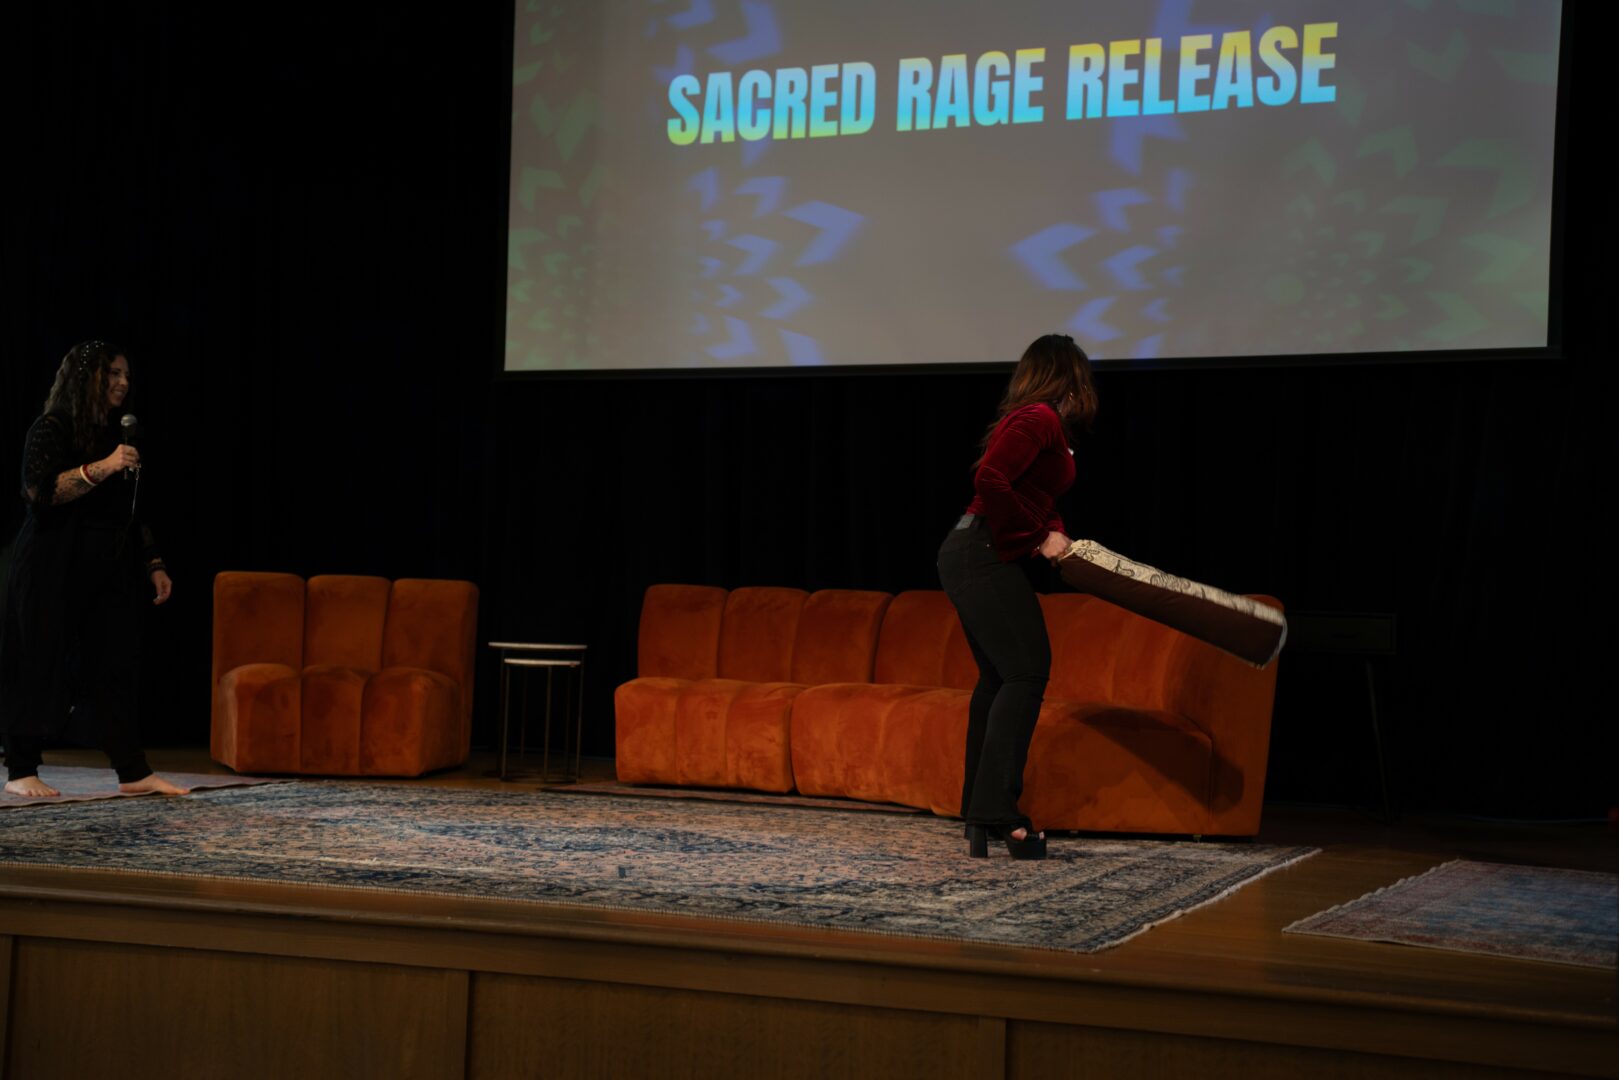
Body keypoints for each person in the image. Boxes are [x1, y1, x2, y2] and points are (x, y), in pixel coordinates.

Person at [0, 340, 188, 797]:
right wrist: (102, 467)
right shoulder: (52, 427)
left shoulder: (118, 438)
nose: (123, 382)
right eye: (113, 374)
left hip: (105, 565)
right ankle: (21, 769)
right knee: (38, 661)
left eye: (126, 375)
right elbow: (39, 492)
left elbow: (132, 511)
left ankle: (132, 772)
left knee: (114, 663)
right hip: (50, 562)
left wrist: (154, 564)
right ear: (86, 378)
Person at [935, 333, 1098, 859]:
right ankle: (998, 811)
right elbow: (991, 479)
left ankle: (979, 811)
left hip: (975, 551)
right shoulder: (1039, 418)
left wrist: (1055, 533)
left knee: (1001, 677)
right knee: (1026, 672)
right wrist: (1036, 537)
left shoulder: (1042, 422)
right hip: (978, 550)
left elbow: (1036, 494)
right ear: (1070, 376)